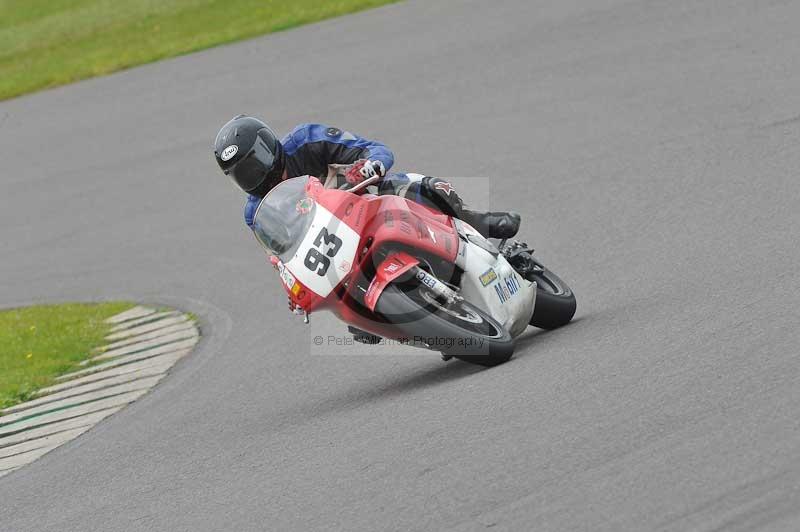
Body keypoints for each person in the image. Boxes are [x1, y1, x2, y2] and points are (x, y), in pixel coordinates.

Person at [213, 115, 520, 239]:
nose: (252, 176)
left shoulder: (308, 140)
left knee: (406, 185)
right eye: (241, 173)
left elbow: (374, 149)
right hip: (336, 240)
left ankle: (477, 222)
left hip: (366, 199)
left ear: (269, 147)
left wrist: (371, 165)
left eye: (253, 164)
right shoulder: (257, 212)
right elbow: (283, 255)